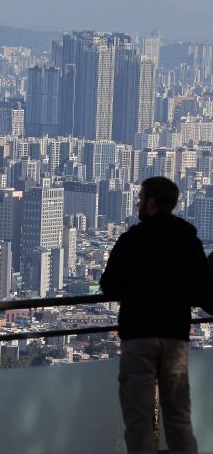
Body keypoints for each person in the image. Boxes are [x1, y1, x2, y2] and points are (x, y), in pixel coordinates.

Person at [101, 176, 213, 453]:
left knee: (139, 419)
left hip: (139, 336)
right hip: (175, 337)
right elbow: (202, 290)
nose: (138, 203)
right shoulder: (188, 240)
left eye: (141, 198)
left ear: (151, 202)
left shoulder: (132, 240)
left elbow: (110, 286)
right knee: (178, 417)